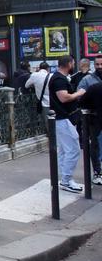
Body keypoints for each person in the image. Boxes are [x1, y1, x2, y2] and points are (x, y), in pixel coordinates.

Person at [47, 55, 86, 193]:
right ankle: (66, 180)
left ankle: (65, 178)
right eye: (73, 63)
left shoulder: (58, 78)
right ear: (69, 64)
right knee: (73, 148)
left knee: (64, 149)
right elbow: (63, 98)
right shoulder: (59, 79)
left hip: (61, 118)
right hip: (62, 118)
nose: (73, 65)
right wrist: (79, 93)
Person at [78, 74, 102, 186]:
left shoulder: (95, 87)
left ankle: (98, 173)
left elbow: (82, 102)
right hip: (96, 122)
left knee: (96, 147)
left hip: (96, 120)